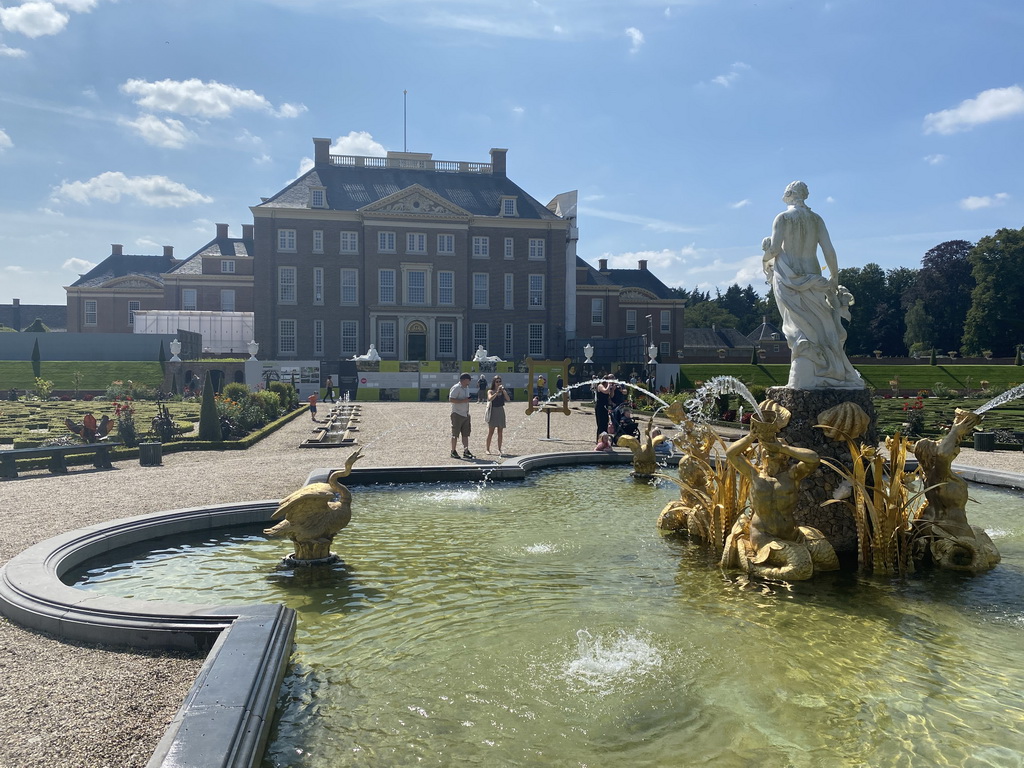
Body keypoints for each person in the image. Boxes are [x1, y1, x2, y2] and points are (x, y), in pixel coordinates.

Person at [761, 181, 863, 390]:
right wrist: (834, 276)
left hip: (789, 278)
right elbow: (829, 250)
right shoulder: (816, 220)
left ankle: (804, 378)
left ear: (789, 195)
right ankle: (827, 372)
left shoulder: (783, 218)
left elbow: (773, 249)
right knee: (821, 325)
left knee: (797, 326)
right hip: (814, 276)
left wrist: (765, 255)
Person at [449, 372, 475, 459]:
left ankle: (466, 451)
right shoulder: (456, 388)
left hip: (465, 414)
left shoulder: (466, 388)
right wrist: (463, 401)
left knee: (466, 434)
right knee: (455, 434)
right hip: (457, 414)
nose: (470, 382)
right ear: (464, 380)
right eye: (469, 380)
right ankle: (453, 451)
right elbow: (451, 399)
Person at [485, 376, 509, 455]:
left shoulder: (502, 391)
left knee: (500, 431)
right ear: (494, 383)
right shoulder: (490, 391)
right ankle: (487, 449)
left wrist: (503, 391)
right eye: (497, 381)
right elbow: (490, 398)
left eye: (499, 381)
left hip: (501, 410)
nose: (498, 383)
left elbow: (508, 399)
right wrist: (496, 392)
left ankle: (499, 449)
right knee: (491, 431)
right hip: (493, 411)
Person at [594, 374, 614, 439]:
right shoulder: (600, 386)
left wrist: (612, 389)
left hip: (605, 406)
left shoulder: (607, 387)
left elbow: (611, 396)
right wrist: (609, 385)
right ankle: (599, 438)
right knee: (601, 423)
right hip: (600, 406)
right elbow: (605, 391)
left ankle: (605, 438)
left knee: (606, 422)